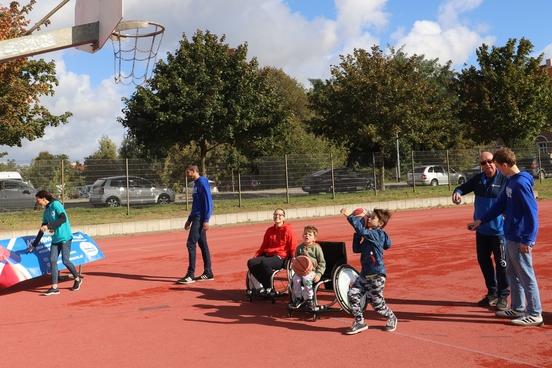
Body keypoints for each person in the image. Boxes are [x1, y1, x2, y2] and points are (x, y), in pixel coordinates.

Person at [470, 148, 543, 327]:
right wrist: (481, 220)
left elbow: (532, 213)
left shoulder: (520, 183)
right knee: (512, 274)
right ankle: (518, 307)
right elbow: (500, 204)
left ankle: (535, 313)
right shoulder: (511, 181)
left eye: (497, 166)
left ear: (504, 165)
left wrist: (528, 239)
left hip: (520, 237)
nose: (496, 170)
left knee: (526, 275)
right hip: (509, 235)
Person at [452, 151, 509, 310]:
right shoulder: (479, 179)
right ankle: (492, 293)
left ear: (495, 162)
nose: (488, 165)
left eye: (490, 161)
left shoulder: (504, 179)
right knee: (484, 262)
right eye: (483, 163)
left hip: (499, 232)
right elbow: (462, 188)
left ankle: (503, 295)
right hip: (481, 231)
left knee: (502, 264)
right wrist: (456, 193)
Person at [341, 207, 397, 335]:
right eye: (369, 216)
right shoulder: (369, 235)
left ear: (380, 223)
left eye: (372, 218)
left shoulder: (377, 234)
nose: (369, 219)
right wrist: (357, 234)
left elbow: (361, 229)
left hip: (376, 275)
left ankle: (391, 317)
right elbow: (356, 249)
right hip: (365, 275)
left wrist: (350, 216)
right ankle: (359, 322)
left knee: (377, 304)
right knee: (352, 294)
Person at [27, 190, 82, 296]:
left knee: (65, 260)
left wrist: (49, 226)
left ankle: (77, 278)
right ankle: (54, 288)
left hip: (65, 237)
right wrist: (34, 245)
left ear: (43, 198)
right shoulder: (46, 211)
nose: (37, 201)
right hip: (55, 239)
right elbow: (42, 229)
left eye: (37, 199)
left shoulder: (56, 204)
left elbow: (63, 218)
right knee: (53, 261)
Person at [176, 165, 214, 284]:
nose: (187, 175)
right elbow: (195, 205)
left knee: (190, 243)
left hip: (201, 218)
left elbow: (208, 201)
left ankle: (190, 275)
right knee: (203, 244)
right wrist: (189, 220)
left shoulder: (202, 182)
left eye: (188, 172)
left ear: (193, 171)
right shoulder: (196, 184)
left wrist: (206, 219)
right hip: (196, 217)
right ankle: (208, 273)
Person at [247, 208, 296, 295]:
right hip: (268, 255)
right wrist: (256, 255)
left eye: (280, 215)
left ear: (284, 218)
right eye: (275, 214)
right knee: (251, 262)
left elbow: (293, 246)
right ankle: (264, 286)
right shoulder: (269, 230)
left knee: (264, 263)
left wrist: (293, 258)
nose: (277, 216)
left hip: (281, 257)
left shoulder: (288, 230)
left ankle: (269, 287)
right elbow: (263, 246)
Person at [289, 225, 326, 311]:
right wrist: (295, 264)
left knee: (306, 279)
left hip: (312, 271)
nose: (307, 236)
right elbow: (296, 260)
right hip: (300, 271)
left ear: (314, 238)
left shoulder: (316, 248)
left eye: (310, 234)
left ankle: (310, 299)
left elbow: (322, 263)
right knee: (295, 280)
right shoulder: (299, 248)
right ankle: (298, 298)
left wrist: (319, 274)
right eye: (305, 234)